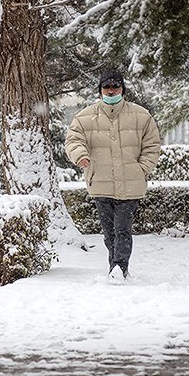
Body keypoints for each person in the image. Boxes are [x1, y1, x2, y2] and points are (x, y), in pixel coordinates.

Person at [64, 68, 161, 280]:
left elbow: (152, 145)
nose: (110, 91)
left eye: (115, 86)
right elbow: (73, 140)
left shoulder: (141, 116)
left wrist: (141, 168)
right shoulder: (84, 117)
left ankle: (120, 267)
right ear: (100, 90)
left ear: (122, 89)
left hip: (130, 184)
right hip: (100, 182)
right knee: (109, 234)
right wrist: (80, 156)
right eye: (106, 87)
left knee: (122, 229)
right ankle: (115, 266)